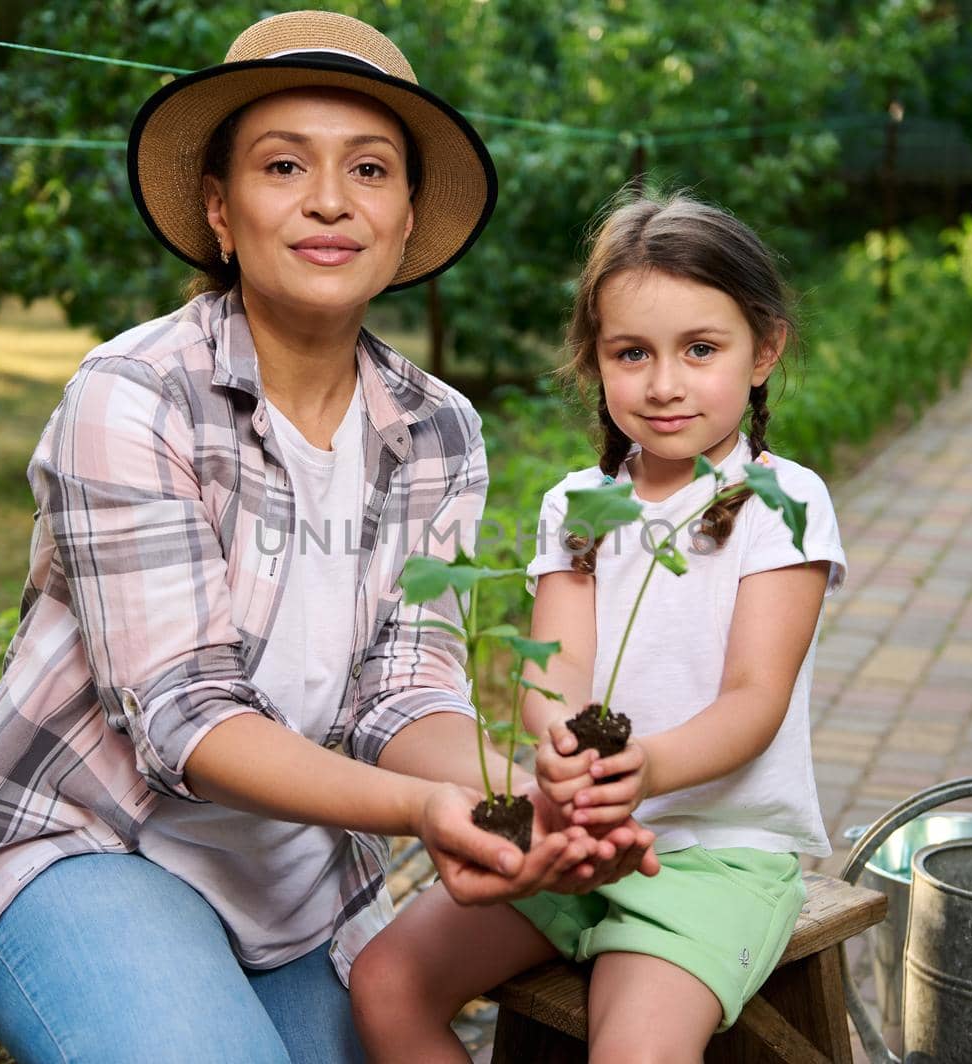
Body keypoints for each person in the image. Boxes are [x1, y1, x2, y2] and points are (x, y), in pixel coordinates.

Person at [0, 12, 655, 1063]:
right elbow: (185, 713)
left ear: (407, 218)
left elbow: (402, 689)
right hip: (90, 842)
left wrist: (521, 798)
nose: (329, 200)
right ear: (221, 210)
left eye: (369, 169)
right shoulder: (133, 395)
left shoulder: (437, 428)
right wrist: (421, 806)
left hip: (293, 878)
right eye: (284, 165)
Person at [351, 191, 849, 1062]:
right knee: (385, 979)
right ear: (595, 360)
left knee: (634, 1052)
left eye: (701, 349)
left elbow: (754, 699)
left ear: (764, 349)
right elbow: (558, 670)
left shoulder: (782, 501)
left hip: (712, 858)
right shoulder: (578, 506)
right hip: (569, 831)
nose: (663, 383)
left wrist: (647, 764)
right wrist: (555, 741)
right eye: (632, 353)